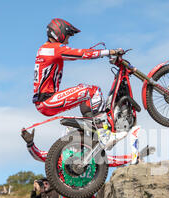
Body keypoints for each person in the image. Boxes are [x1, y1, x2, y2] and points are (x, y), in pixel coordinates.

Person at [32, 18, 128, 150]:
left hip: (45, 101)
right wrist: (109, 52)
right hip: (48, 101)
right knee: (93, 91)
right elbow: (81, 54)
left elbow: (74, 55)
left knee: (82, 90)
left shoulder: (46, 49)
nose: (68, 40)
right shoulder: (52, 49)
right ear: (59, 33)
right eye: (68, 36)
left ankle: (88, 128)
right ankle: (105, 136)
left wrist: (92, 52)